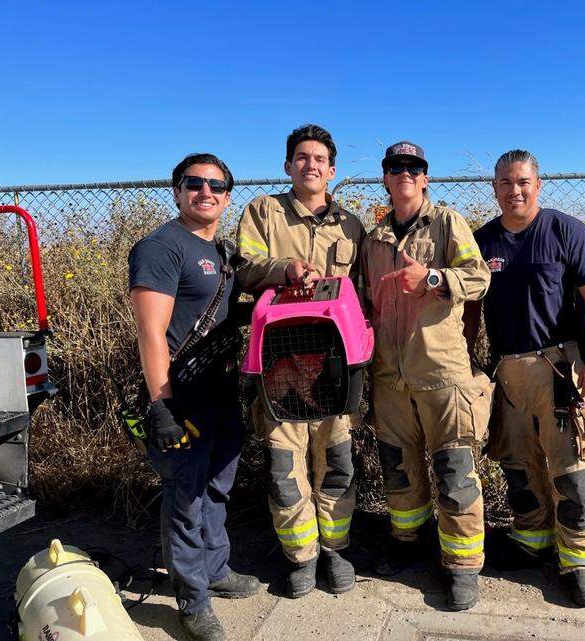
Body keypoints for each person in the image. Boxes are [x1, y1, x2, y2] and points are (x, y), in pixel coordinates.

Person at [465, 149, 585, 607]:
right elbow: (469, 310)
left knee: (571, 468)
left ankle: (582, 560)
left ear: (538, 184)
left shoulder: (562, 229)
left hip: (558, 368)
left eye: (523, 181)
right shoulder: (481, 241)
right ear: (494, 188)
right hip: (506, 371)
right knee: (518, 466)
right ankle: (533, 541)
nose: (515, 190)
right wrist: (469, 360)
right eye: (506, 183)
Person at [128, 152, 260, 641]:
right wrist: (161, 405)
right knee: (185, 495)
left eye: (217, 185)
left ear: (228, 196)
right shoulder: (161, 247)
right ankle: (192, 600)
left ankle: (216, 570)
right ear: (178, 189)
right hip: (181, 397)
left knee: (217, 488)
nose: (206, 192)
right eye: (195, 183)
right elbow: (152, 332)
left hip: (221, 393)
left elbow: (222, 309)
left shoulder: (223, 252)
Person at [359, 141, 493, 610]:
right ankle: (406, 540)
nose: (403, 173)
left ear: (425, 177)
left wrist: (435, 279)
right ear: (386, 178)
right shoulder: (373, 238)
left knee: (455, 469)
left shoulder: (447, 222)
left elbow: (479, 278)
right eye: (394, 167)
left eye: (412, 167)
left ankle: (462, 566)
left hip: (441, 372)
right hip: (389, 375)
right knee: (399, 467)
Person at [235, 124, 366, 598]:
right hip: (278, 366)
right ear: (288, 165)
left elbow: (362, 294)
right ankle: (301, 558)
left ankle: (335, 551)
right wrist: (281, 269)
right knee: (284, 470)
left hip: (335, 366)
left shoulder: (351, 225)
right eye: (302, 157)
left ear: (332, 170)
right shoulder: (262, 212)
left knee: (336, 463)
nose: (311, 165)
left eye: (319, 160)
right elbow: (245, 266)